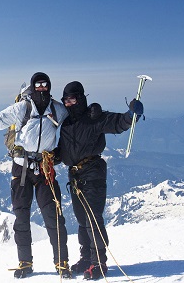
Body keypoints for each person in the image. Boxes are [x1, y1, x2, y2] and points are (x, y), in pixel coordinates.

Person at [0, 72, 72, 279]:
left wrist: (93, 113)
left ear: (49, 86)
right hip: (21, 168)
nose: (41, 88)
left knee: (54, 217)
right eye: (38, 84)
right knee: (21, 218)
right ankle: (25, 263)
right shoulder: (23, 107)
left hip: (45, 168)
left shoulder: (57, 109)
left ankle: (62, 262)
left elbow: (74, 117)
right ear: (33, 87)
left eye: (45, 84)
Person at [56, 81, 144, 280]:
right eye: (65, 100)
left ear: (80, 98)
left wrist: (131, 115)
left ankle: (99, 263)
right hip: (75, 175)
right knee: (81, 219)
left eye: (72, 99)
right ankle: (87, 258)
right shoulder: (66, 124)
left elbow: (117, 123)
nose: (68, 104)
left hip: (92, 172)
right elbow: (63, 150)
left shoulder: (94, 117)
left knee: (92, 219)